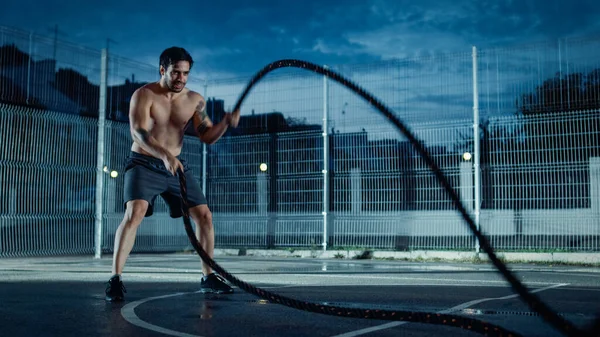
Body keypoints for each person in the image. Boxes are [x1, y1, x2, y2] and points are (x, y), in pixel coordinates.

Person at [105, 46, 239, 302]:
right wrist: (164, 155)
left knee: (205, 216)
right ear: (163, 70)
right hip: (144, 162)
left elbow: (208, 136)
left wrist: (224, 124)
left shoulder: (196, 100)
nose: (181, 78)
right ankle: (115, 278)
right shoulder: (144, 95)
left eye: (186, 73)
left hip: (175, 166)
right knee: (135, 212)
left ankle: (208, 277)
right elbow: (139, 133)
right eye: (176, 72)